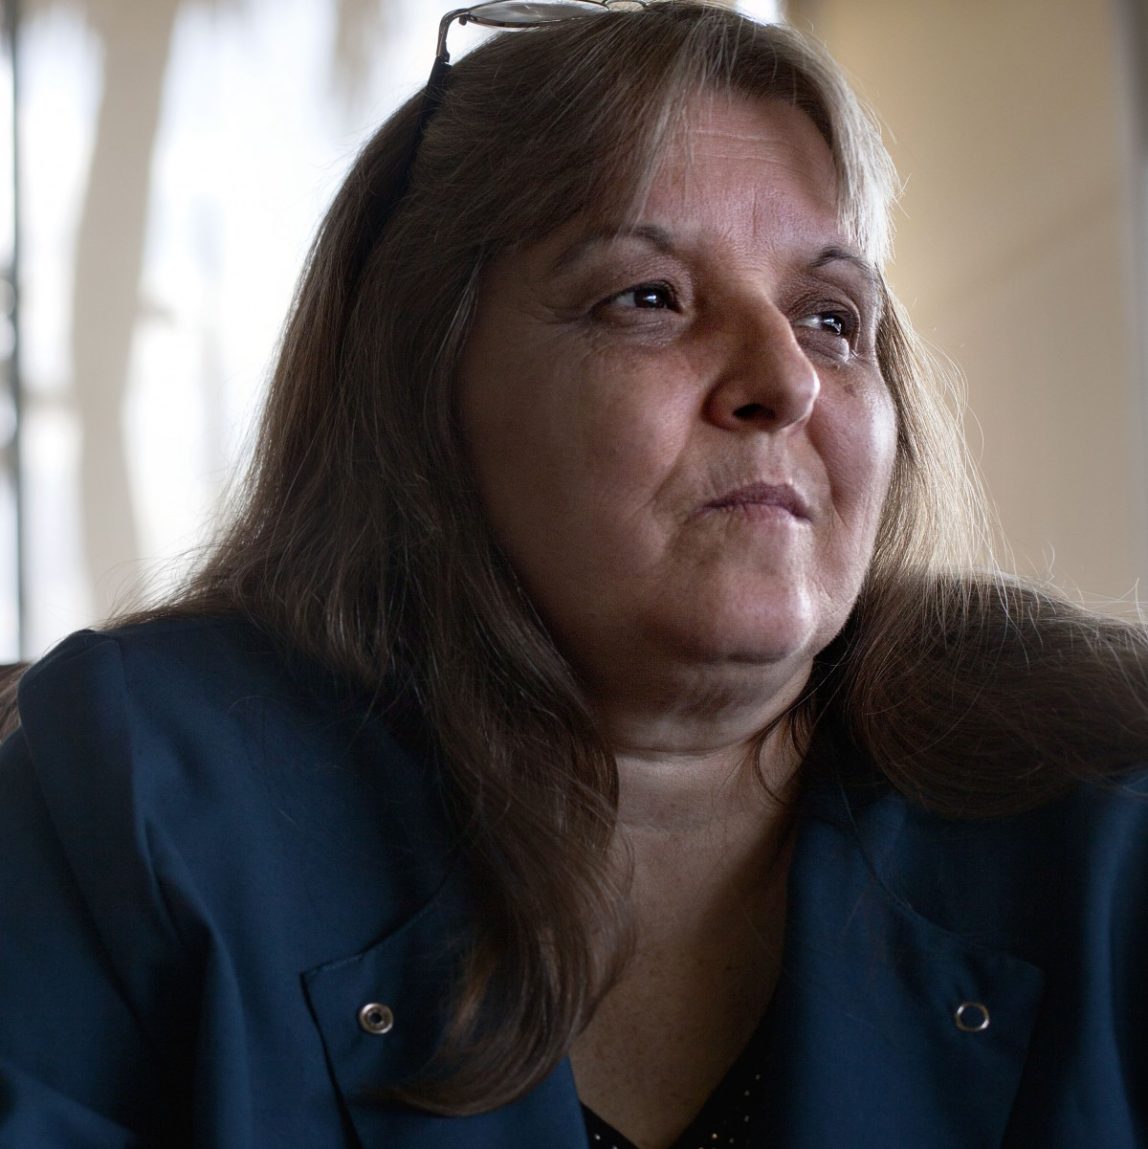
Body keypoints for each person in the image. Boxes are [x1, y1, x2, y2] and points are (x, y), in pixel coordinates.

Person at [2, 2, 1147, 1146]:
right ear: (422, 386)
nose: (783, 380)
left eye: (830, 319)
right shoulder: (135, 791)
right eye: (647, 298)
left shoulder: (1104, 818)